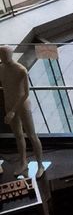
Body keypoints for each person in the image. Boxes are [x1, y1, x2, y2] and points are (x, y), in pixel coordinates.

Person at [0, 46, 43, 175]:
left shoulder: (21, 70)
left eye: (4, 54)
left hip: (22, 105)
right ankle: (23, 162)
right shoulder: (1, 68)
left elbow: (25, 94)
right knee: (18, 135)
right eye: (1, 55)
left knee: (32, 135)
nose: (3, 57)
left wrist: (13, 111)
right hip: (9, 104)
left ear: (10, 54)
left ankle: (40, 164)